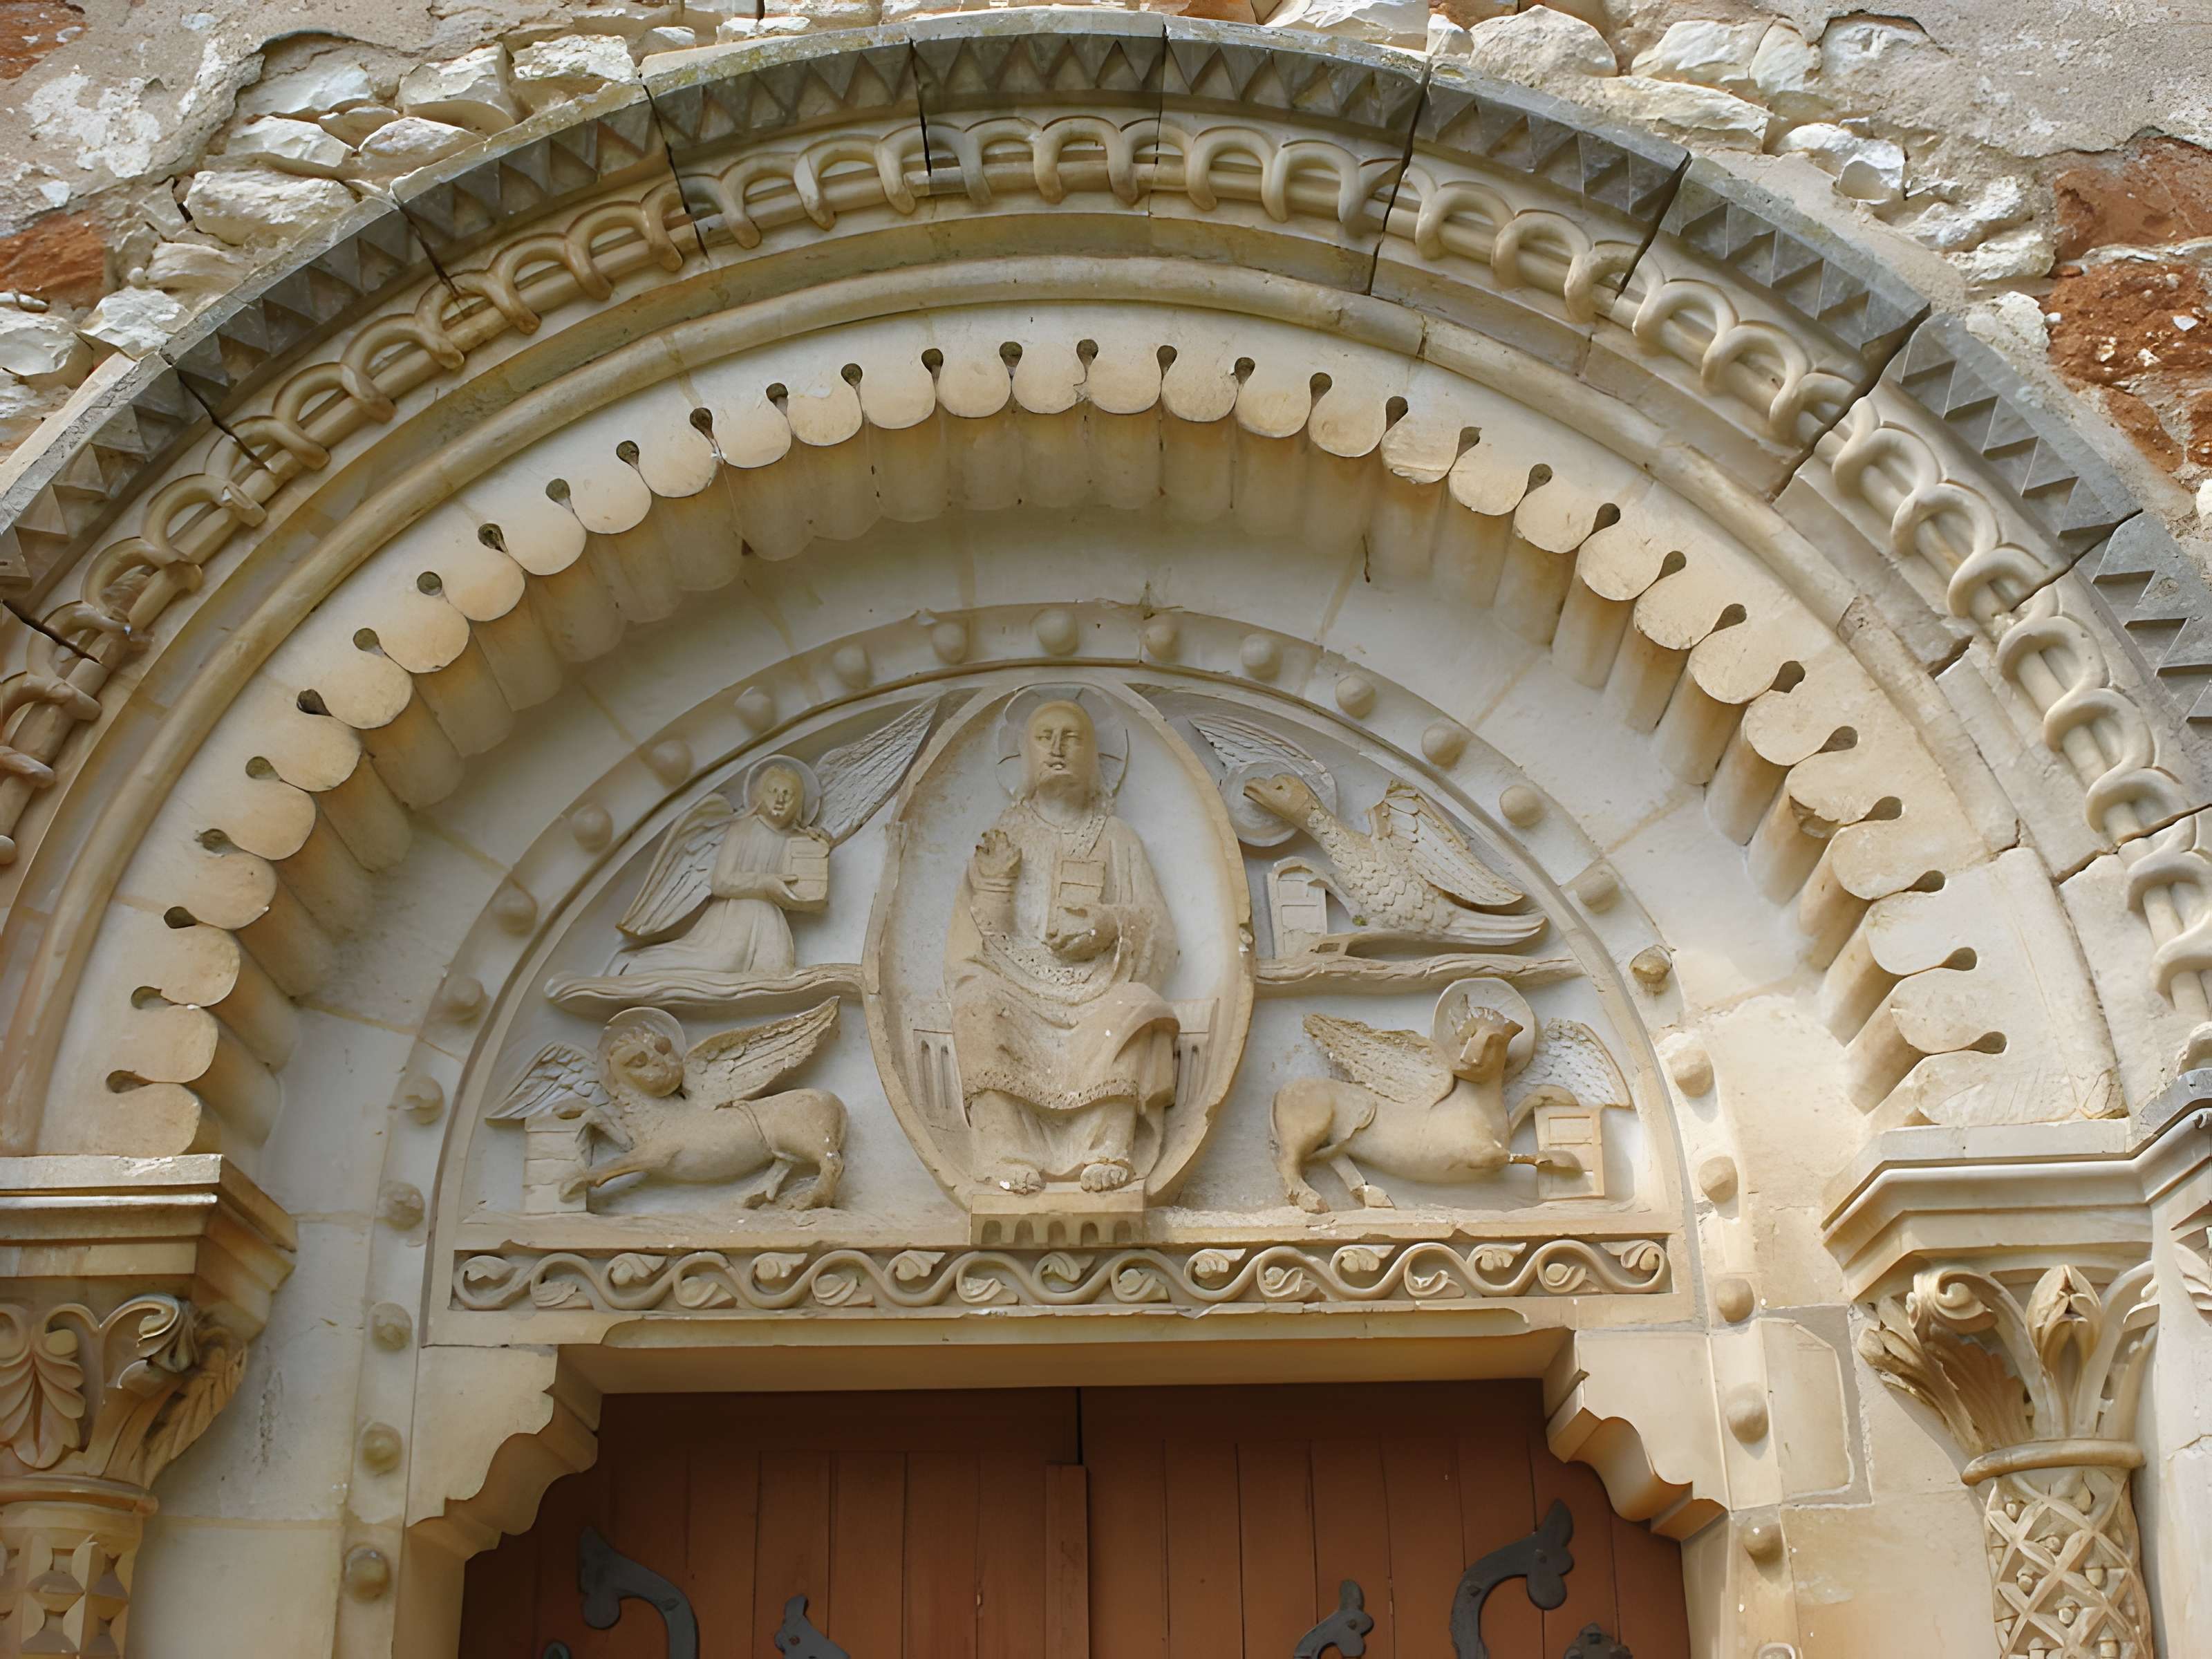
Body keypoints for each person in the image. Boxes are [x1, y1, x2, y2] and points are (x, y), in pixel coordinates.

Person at [946, 696, 1179, 1194]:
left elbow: (1158, 930)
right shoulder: (1004, 836)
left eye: (1072, 738)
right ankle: (1007, 1151)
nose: (1057, 749)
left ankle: (1105, 1149)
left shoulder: (1118, 839)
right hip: (1018, 987)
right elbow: (977, 943)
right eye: (1044, 737)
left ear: (1094, 755)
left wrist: (1107, 924)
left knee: (1135, 1005)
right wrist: (996, 885)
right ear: (1025, 755)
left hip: (1097, 989)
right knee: (976, 1002)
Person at [619, 761, 824, 979]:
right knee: (722, 963)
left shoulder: (795, 840)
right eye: (773, 791)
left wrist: (818, 847)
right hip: (733, 916)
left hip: (768, 918)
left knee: (778, 969)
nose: (780, 799)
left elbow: (802, 886)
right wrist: (765, 883)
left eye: (788, 794)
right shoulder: (742, 829)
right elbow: (721, 881)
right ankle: (638, 967)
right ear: (760, 795)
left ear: (798, 802)